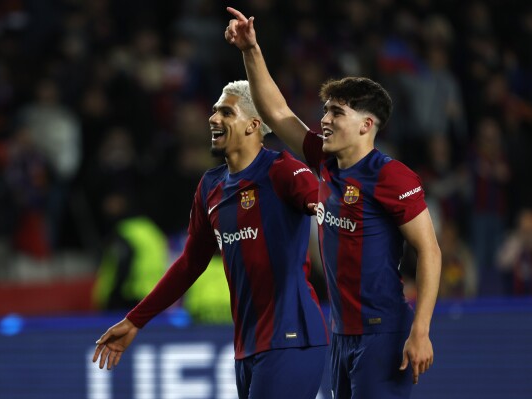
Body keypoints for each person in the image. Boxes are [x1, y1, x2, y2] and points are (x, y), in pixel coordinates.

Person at [225, 7, 442, 399]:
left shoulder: (391, 176)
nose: (324, 118)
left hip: (384, 332)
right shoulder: (323, 160)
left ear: (366, 125)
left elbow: (429, 250)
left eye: (336, 112)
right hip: (340, 333)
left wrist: (421, 330)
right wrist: (251, 50)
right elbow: (276, 111)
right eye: (325, 109)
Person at [93, 80, 329, 399]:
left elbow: (330, 208)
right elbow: (190, 263)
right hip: (247, 345)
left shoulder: (284, 170)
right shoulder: (211, 186)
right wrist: (136, 320)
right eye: (214, 111)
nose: (213, 119)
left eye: (226, 112)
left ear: (253, 125)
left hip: (293, 336)